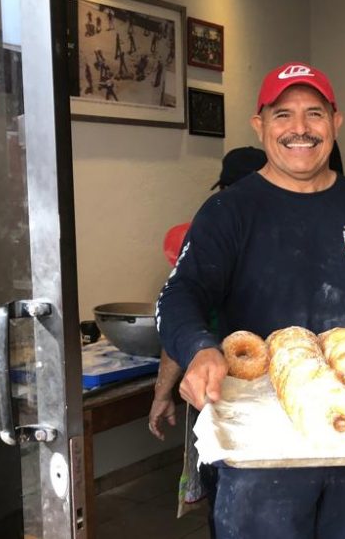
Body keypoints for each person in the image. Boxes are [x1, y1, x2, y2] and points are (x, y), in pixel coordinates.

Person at [156, 61, 345, 539]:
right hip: (261, 434)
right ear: (260, 126)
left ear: (334, 122)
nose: (300, 129)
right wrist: (198, 347)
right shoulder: (229, 210)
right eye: (282, 115)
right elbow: (179, 295)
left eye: (313, 114)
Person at [148, 146, 268, 537]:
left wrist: (162, 393)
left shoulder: (213, 228)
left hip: (224, 395)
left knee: (229, 500)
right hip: (276, 398)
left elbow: (181, 323)